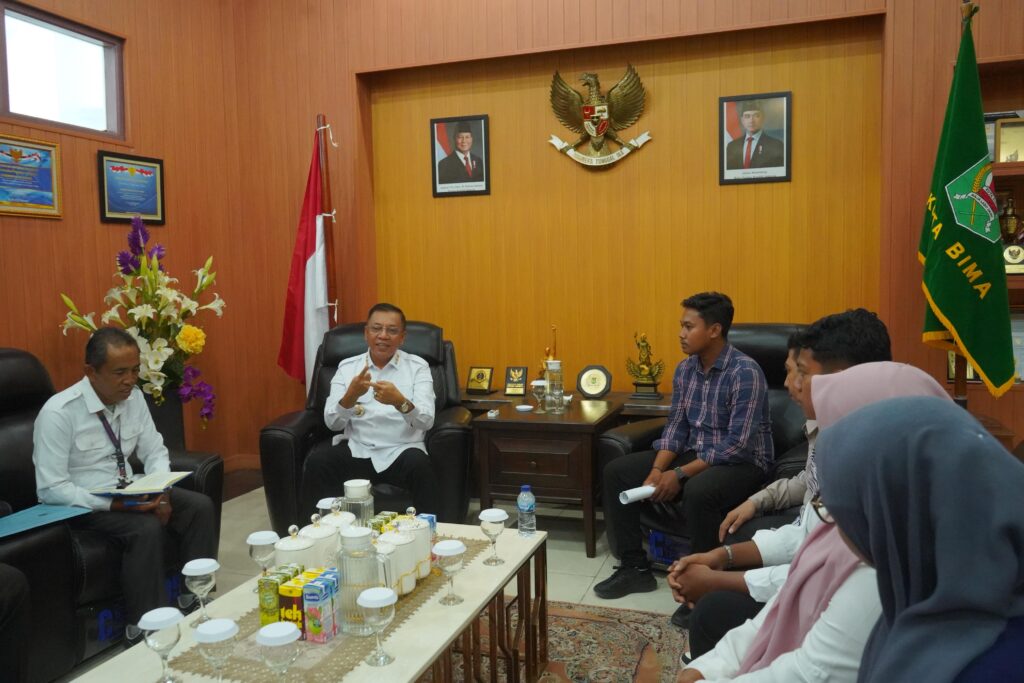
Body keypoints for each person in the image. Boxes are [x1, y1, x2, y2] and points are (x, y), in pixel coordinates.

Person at [675, 364, 953, 683]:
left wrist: (719, 579)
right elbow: (785, 600)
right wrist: (708, 668)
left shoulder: (884, 568)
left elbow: (811, 672)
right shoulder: (870, 512)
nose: (790, 383)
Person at [819, 397, 1024, 683]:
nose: (838, 526)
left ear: (890, 517)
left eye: (838, 512)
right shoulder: (923, 595)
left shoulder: (985, 667)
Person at [31, 327, 217, 627]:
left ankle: (196, 599)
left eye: (134, 370)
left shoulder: (134, 398)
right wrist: (116, 505)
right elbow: (51, 489)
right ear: (91, 372)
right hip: (83, 504)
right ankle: (146, 626)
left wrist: (161, 492)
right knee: (144, 527)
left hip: (130, 490)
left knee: (199, 507)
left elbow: (154, 451)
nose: (130, 380)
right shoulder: (59, 413)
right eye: (120, 372)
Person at [595, 292, 774, 600]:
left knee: (698, 491)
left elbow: (738, 444)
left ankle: (704, 587)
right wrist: (657, 470)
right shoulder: (685, 369)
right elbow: (677, 427)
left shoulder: (745, 372)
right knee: (617, 472)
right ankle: (634, 568)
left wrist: (679, 474)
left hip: (744, 462)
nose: (681, 334)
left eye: (689, 327)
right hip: (699, 452)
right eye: (682, 326)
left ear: (714, 330)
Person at [301, 303, 440, 516]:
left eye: (392, 330)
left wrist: (400, 402)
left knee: (420, 466)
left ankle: (430, 531)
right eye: (376, 328)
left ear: (402, 337)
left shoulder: (418, 367)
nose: (383, 335)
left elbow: (426, 421)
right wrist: (350, 397)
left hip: (401, 450)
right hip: (357, 448)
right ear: (366, 333)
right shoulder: (347, 367)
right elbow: (332, 423)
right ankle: (316, 529)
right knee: (319, 461)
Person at [725, 101, 784, 170]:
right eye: (747, 116)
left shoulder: (776, 145)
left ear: (763, 118)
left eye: (756, 116)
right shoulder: (732, 146)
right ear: (742, 120)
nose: (751, 121)